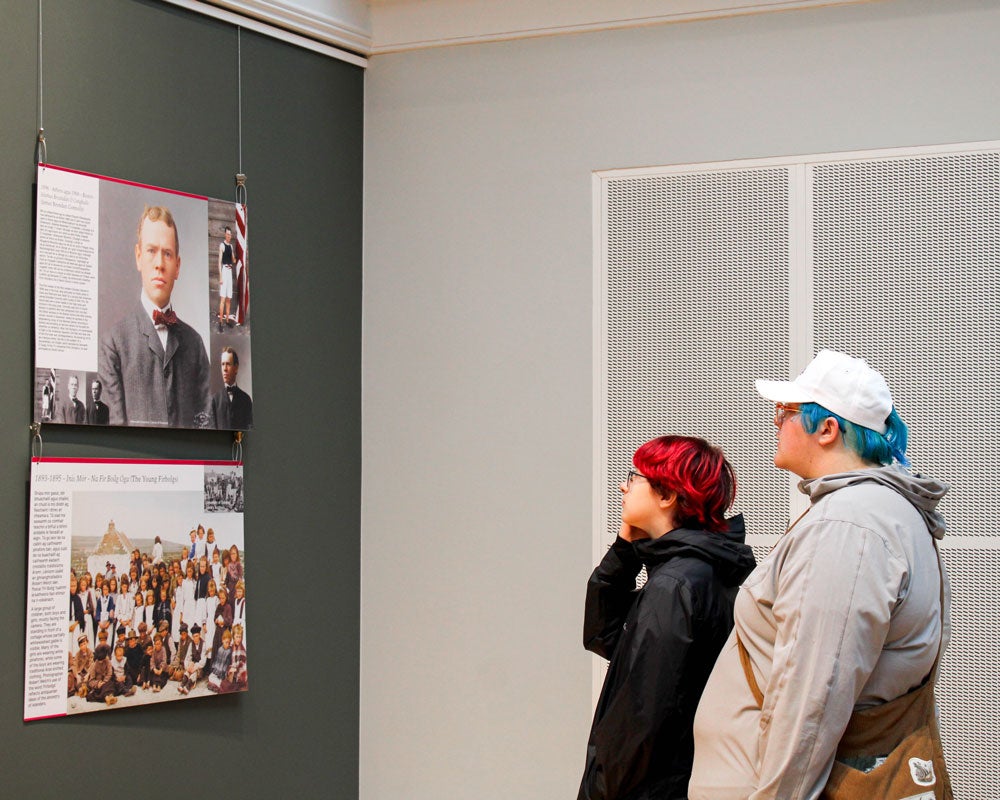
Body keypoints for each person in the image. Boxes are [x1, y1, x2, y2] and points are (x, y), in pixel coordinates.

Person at [689, 350, 950, 800]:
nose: (776, 420)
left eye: (788, 411)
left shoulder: (849, 526)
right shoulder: (872, 515)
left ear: (827, 429)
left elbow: (813, 696)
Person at [578, 436, 755, 800]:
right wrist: (625, 548)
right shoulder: (697, 570)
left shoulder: (675, 584)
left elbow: (642, 721)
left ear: (666, 496)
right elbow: (606, 636)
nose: (624, 485)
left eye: (636, 476)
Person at [98, 204, 210, 428]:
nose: (159, 264)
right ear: (139, 257)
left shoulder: (195, 344)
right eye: (151, 251)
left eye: (167, 254)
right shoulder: (113, 344)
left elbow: (206, 429)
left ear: (177, 266)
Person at [209, 346, 254, 430]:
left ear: (236, 368)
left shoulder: (246, 400)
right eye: (223, 364)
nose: (225, 369)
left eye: (228, 364)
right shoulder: (214, 400)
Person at [218, 225, 235, 327]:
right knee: (223, 299)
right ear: (225, 234)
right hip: (224, 271)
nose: (229, 236)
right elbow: (219, 262)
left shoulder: (231, 246)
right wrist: (220, 276)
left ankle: (227, 320)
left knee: (229, 298)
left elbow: (233, 260)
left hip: (230, 272)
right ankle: (220, 322)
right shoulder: (222, 245)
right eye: (227, 234)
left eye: (230, 234)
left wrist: (236, 257)